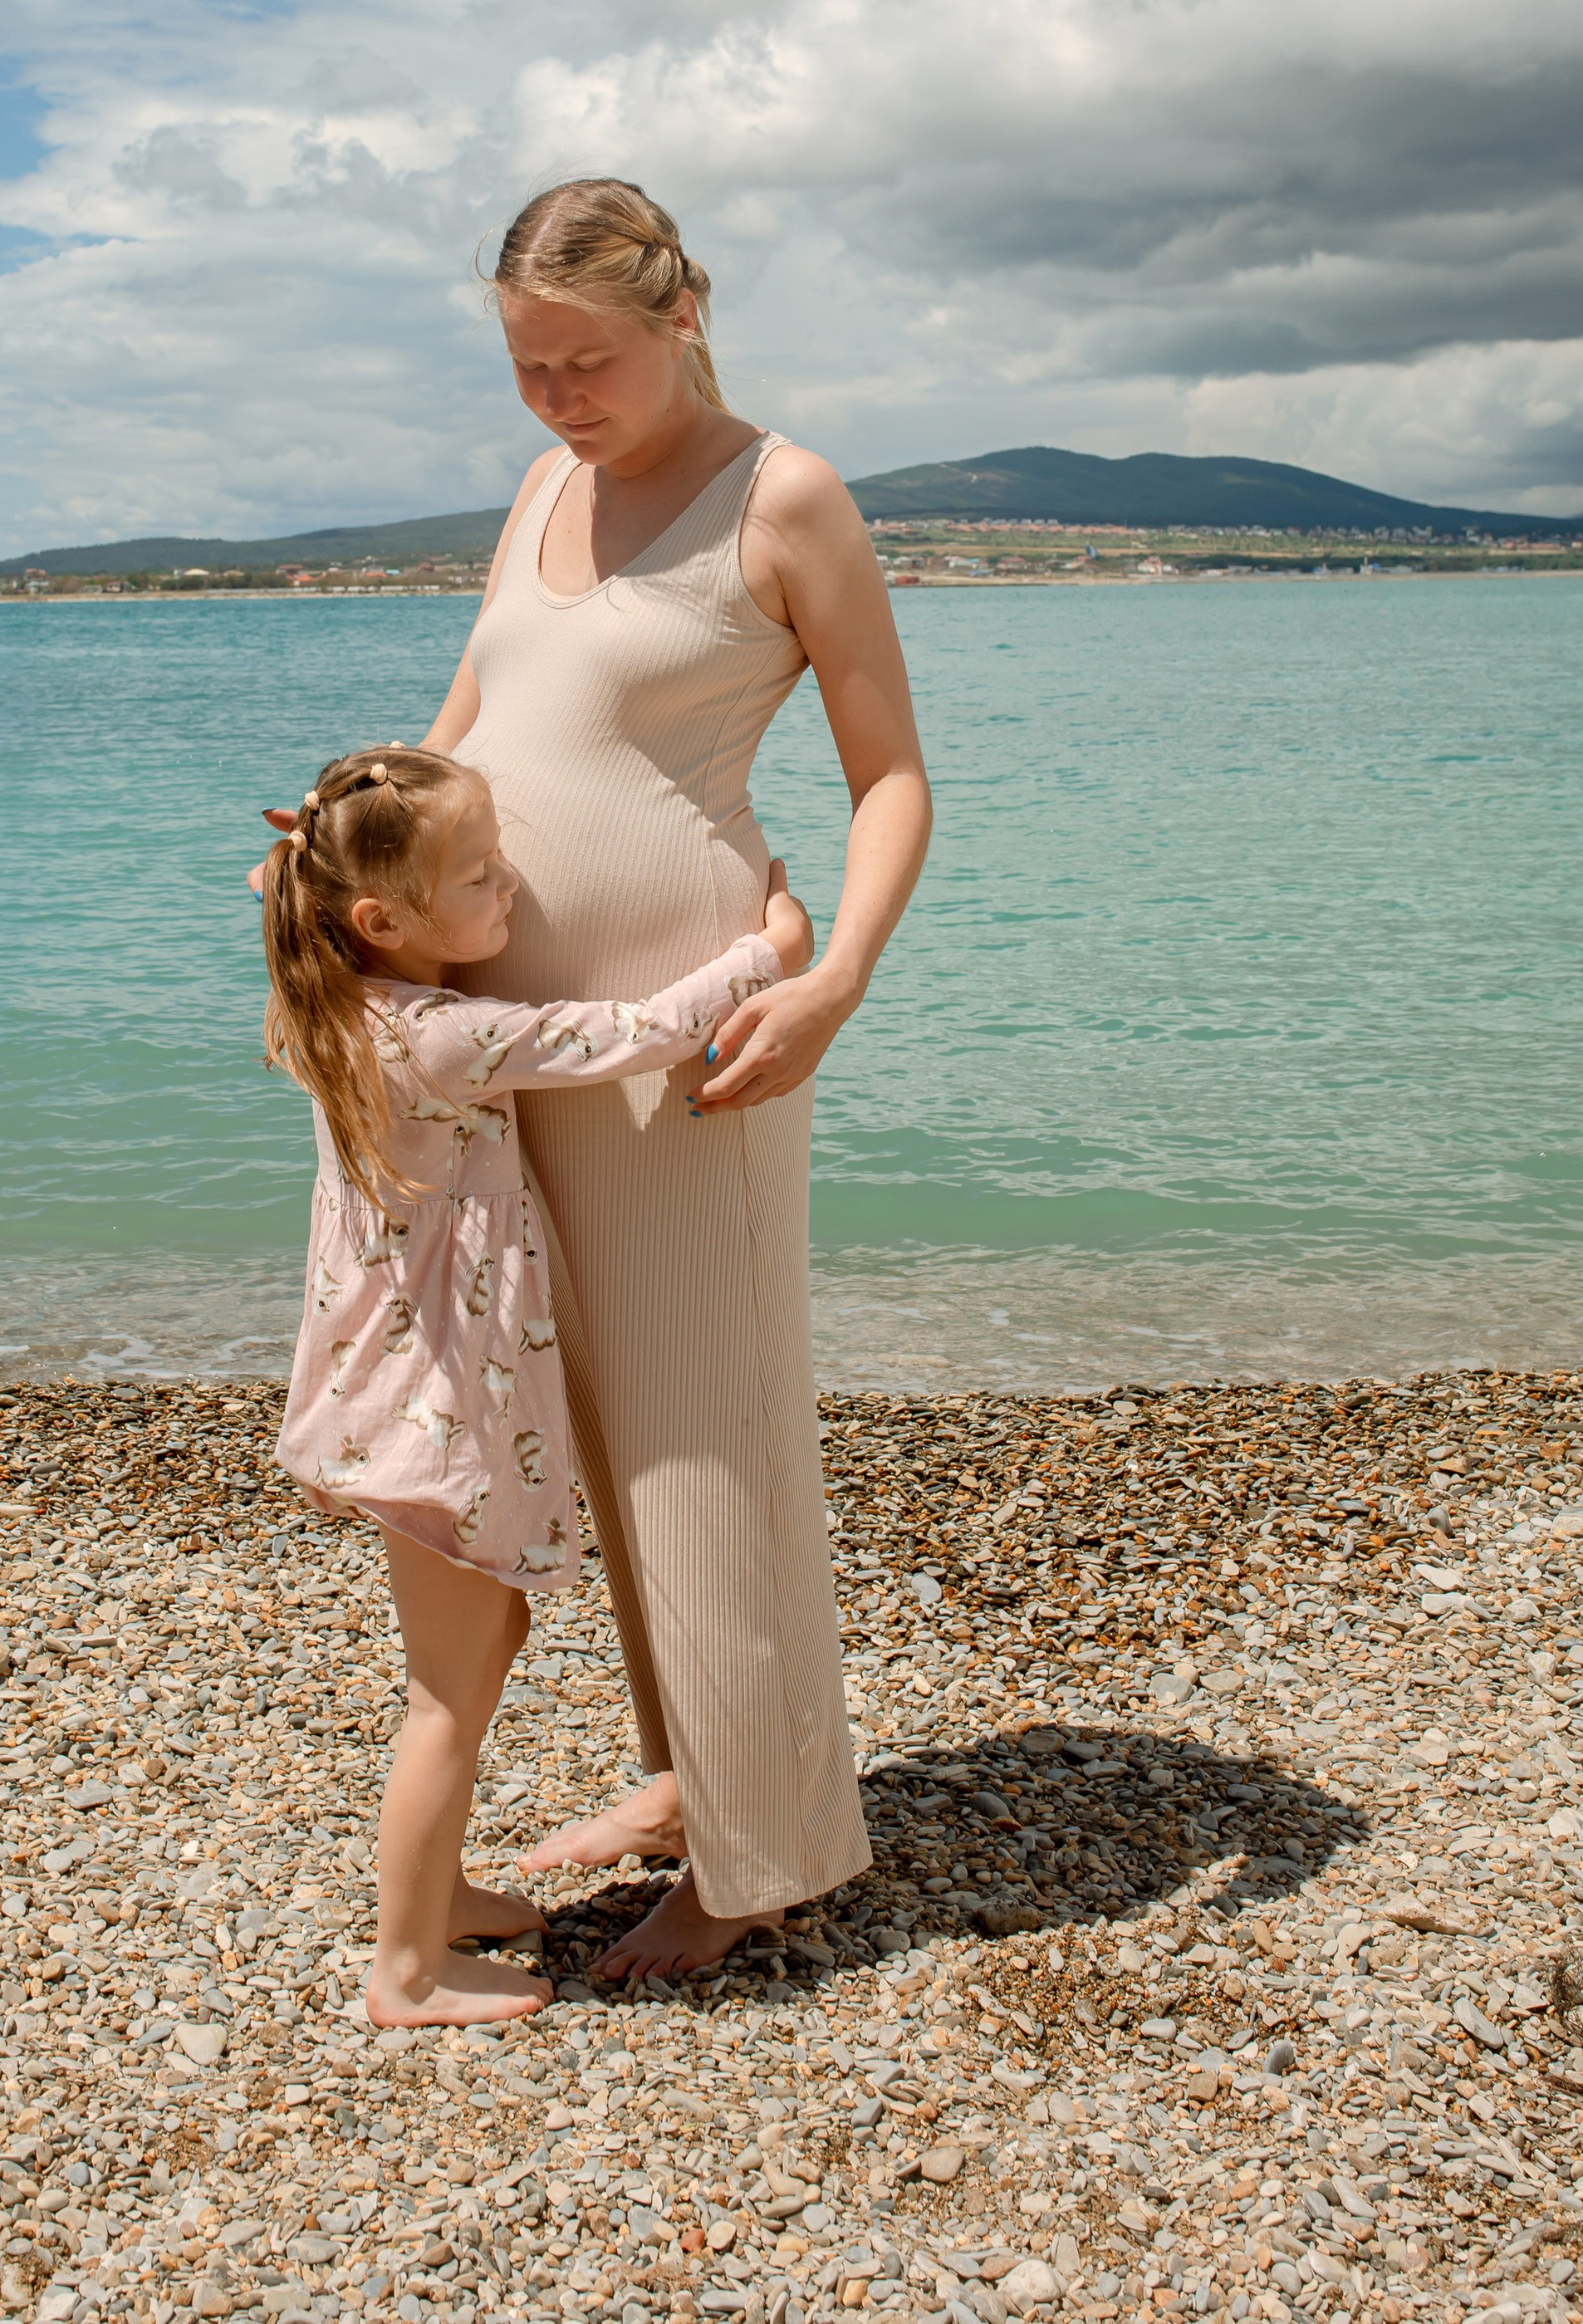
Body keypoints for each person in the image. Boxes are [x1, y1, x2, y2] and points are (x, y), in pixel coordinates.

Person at [424, 176, 932, 1979]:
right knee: (609, 1424)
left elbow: (888, 778)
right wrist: (343, 861)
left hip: (697, 1033)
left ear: (683, 313)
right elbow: (464, 729)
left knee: (709, 1429)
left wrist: (837, 985)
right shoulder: (546, 484)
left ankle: (758, 1856)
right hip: (519, 1043)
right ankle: (689, 1769)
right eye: (524, 365)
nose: (557, 396)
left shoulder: (779, 495)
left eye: (587, 361)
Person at [259, 738, 813, 2027]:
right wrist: (770, 947)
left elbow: (323, 896)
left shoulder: (335, 1008)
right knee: (448, 1694)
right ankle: (405, 1965)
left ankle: (442, 1895)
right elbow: (631, 1034)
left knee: (483, 1640)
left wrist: (328, 857)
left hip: (405, 1393)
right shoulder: (441, 1037)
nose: (509, 889)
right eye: (479, 876)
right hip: (435, 1411)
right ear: (382, 919)